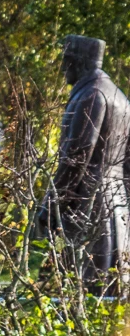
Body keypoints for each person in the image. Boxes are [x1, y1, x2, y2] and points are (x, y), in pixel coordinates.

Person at [37, 35, 130, 293]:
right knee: (112, 289)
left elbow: (76, 157)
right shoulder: (121, 98)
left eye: (66, 61)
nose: (62, 68)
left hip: (89, 203)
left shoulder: (92, 95)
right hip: (117, 205)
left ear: (79, 62)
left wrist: (51, 206)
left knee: (83, 289)